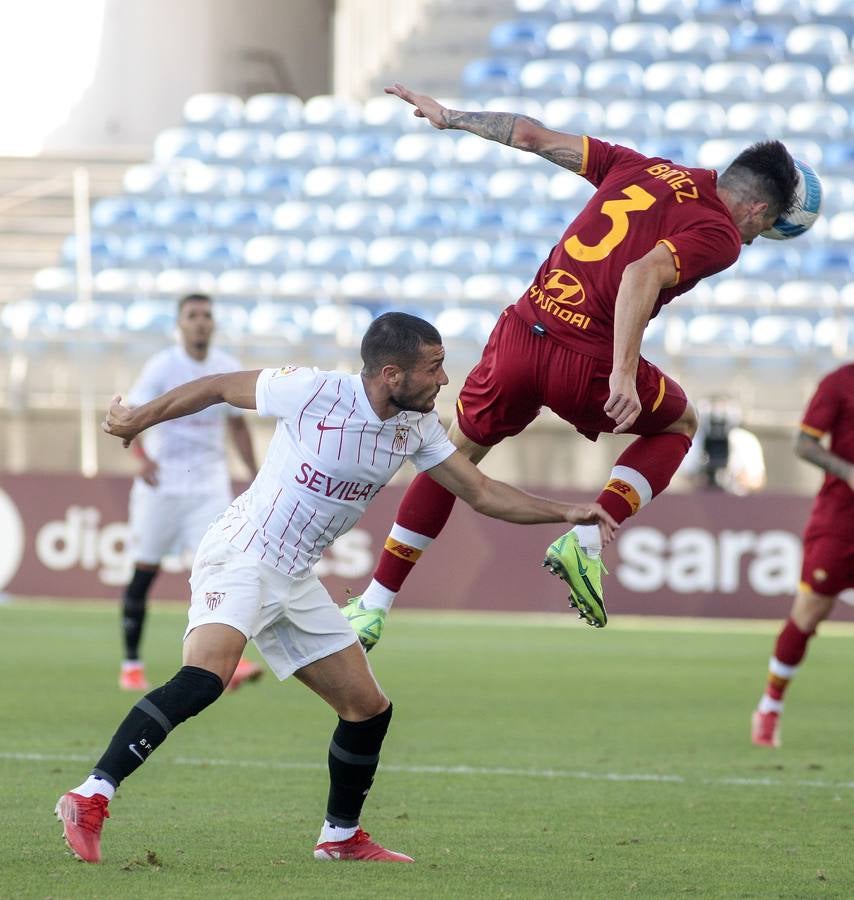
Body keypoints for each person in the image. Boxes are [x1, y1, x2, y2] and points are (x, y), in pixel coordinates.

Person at [55, 312, 616, 865]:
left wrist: (568, 512)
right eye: (435, 367)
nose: (445, 380)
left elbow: (483, 492)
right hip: (242, 554)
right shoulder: (313, 390)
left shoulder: (417, 426)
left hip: (296, 578)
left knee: (368, 708)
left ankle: (339, 837)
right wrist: (137, 420)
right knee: (206, 678)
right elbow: (219, 387)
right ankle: (90, 796)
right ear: (392, 374)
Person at [343, 82, 800, 646]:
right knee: (681, 424)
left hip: (520, 334)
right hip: (583, 360)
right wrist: (624, 373)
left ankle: (373, 604)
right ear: (756, 208)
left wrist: (451, 116)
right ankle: (584, 541)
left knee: (451, 459)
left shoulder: (639, 166)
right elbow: (641, 274)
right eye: (765, 226)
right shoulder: (721, 233)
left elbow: (531, 135)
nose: (755, 240)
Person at [118, 292, 261, 693]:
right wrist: (142, 458)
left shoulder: (226, 368)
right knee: (145, 571)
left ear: (213, 324)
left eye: (206, 315)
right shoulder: (163, 366)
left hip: (207, 485)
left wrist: (254, 473)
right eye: (193, 315)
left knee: (219, 572)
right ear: (179, 323)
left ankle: (223, 664)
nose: (201, 321)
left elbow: (237, 424)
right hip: (161, 486)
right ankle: (131, 664)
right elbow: (132, 415)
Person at [751, 364, 854, 748]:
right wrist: (847, 471)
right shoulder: (840, 383)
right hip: (841, 521)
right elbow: (804, 444)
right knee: (810, 613)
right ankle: (769, 707)